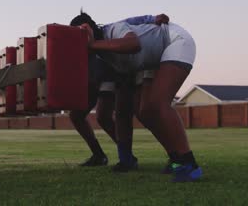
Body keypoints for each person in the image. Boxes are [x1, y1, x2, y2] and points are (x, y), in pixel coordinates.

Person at [74, 11, 202, 182]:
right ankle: (176, 158)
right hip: (153, 58)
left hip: (174, 41)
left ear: (87, 29)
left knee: (158, 104)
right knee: (145, 112)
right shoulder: (102, 56)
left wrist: (92, 44)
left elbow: (133, 44)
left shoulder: (113, 29)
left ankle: (189, 164)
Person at [68, 13, 168, 171]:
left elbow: (131, 22)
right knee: (79, 115)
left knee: (118, 113)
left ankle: (128, 156)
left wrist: (153, 18)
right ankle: (102, 155)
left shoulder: (110, 31)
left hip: (119, 71)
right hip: (100, 77)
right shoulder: (80, 48)